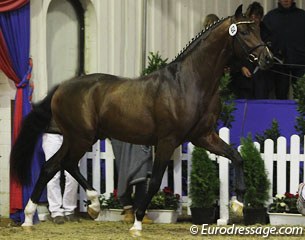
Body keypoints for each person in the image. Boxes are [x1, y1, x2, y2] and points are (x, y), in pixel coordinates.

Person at [263, 0, 305, 99]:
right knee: (280, 96)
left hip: (300, 64)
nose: (286, 0)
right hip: (279, 64)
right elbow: (263, 39)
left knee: (301, 96)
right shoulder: (270, 17)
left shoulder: (302, 16)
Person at [230, 2, 272, 99]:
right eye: (251, 16)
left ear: (261, 18)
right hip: (243, 80)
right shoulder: (241, 33)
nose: (253, 19)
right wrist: (241, 67)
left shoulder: (267, 33)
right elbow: (233, 53)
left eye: (256, 17)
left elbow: (269, 55)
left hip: (261, 79)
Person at [42, 120, 79, 224]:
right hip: (52, 133)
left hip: (72, 134)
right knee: (52, 174)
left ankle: (69, 209)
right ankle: (55, 211)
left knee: (73, 175)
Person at [110, 139, 153, 224]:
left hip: (141, 133)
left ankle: (140, 210)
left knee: (142, 170)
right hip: (121, 134)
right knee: (124, 169)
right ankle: (128, 209)